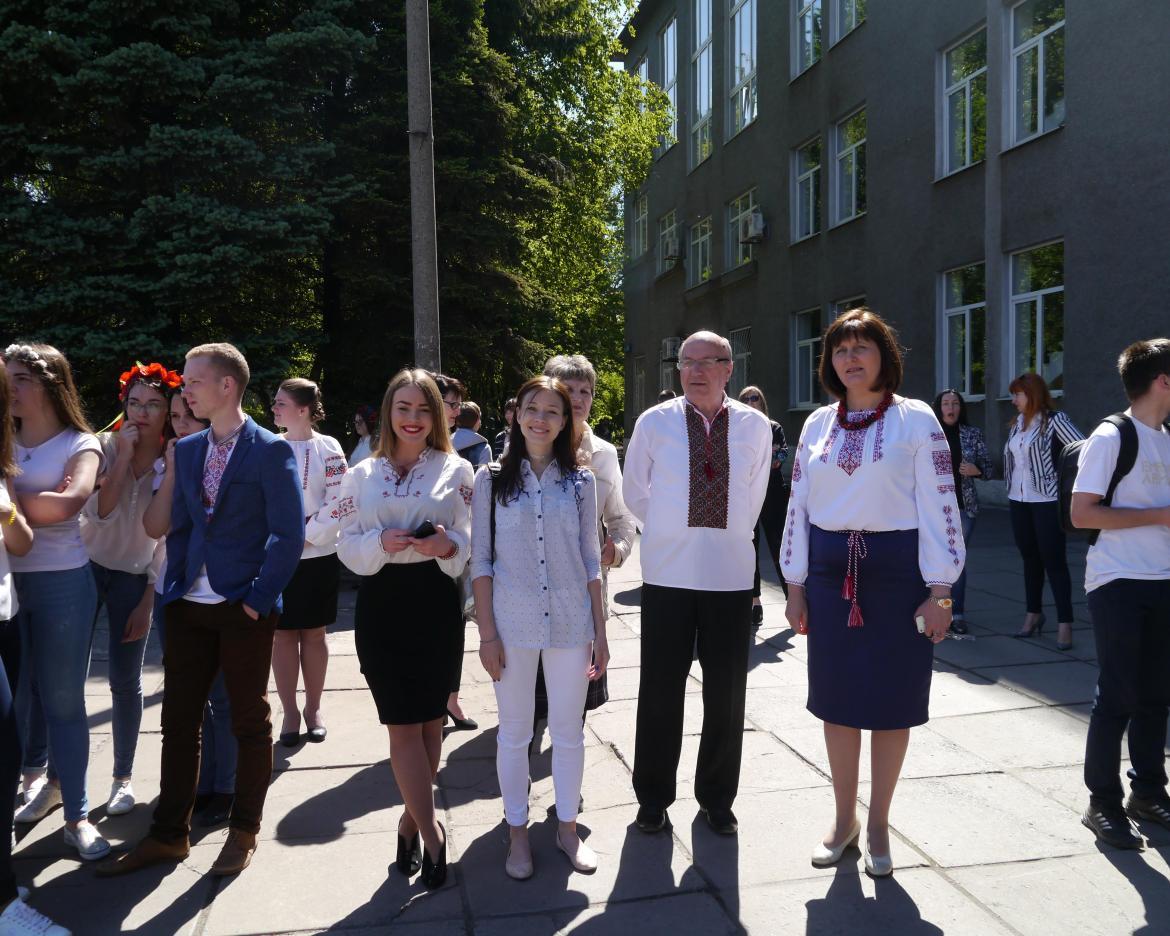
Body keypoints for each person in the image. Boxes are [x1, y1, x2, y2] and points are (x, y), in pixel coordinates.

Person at [98, 342, 303, 878]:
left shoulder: (271, 450)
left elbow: (289, 536)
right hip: (186, 605)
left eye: (193, 381)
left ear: (226, 385)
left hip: (243, 607)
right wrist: (171, 588)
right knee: (178, 721)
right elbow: (172, 526)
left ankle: (243, 831)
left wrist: (257, 601)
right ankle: (169, 835)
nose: (184, 391)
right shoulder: (186, 450)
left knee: (249, 721)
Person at [782, 309, 964, 877]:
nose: (851, 358)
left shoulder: (916, 420)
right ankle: (844, 820)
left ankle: (880, 821)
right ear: (829, 362)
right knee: (836, 704)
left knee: (891, 706)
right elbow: (798, 508)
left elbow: (941, 504)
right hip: (829, 580)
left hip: (897, 581)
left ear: (885, 355)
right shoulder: (817, 425)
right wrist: (794, 584)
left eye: (862, 347)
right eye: (840, 350)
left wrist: (941, 591)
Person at [622, 331, 772, 837]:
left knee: (727, 694)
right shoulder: (655, 422)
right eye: (687, 362)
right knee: (660, 689)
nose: (696, 370)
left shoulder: (754, 425)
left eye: (708, 361)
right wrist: (670, 530)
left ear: (730, 368)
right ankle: (652, 798)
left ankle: (717, 798)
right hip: (668, 575)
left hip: (730, 577)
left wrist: (722, 535)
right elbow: (633, 491)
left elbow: (755, 496)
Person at [336, 369, 473, 890]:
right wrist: (379, 543)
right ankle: (432, 833)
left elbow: (471, 537)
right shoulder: (361, 474)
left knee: (432, 724)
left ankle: (407, 824)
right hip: (383, 604)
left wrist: (446, 545)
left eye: (422, 409)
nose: (412, 419)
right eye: (403, 408)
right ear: (388, 412)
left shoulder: (458, 470)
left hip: (435, 601)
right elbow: (345, 542)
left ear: (437, 416)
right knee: (402, 725)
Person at [471, 376, 609, 879]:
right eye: (532, 408)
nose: (540, 419)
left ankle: (567, 829)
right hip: (512, 626)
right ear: (516, 414)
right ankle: (517, 833)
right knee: (514, 733)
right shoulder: (490, 479)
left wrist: (601, 632)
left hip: (572, 623)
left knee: (569, 732)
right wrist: (487, 634)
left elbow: (591, 560)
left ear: (566, 420)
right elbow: (481, 560)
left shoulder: (581, 482)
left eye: (553, 410)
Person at [4, 344, 107, 860]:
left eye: (19, 378)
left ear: (49, 385)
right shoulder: (3, 439)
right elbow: (49, 505)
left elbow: (68, 505)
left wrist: (8, 498)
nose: (9, 387)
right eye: (7, 377)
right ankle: (22, 794)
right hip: (5, 585)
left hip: (62, 583)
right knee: (13, 707)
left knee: (64, 703)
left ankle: (77, 817)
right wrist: (37, 501)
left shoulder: (80, 443)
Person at [1071, 339, 1170, 850]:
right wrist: (1159, 516)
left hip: (1162, 578)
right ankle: (1102, 803)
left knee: (1157, 694)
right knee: (1118, 694)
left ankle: (1148, 792)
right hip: (1117, 580)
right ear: (1163, 381)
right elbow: (1082, 513)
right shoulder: (1112, 436)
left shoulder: (1167, 438)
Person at [80, 362, 181, 818]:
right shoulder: (103, 447)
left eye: (153, 404)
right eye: (134, 402)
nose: (141, 412)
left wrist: (148, 598)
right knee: (65, 680)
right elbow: (100, 512)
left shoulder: (173, 459)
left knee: (125, 680)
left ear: (168, 412)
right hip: (83, 569)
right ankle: (52, 777)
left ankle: (122, 778)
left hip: (135, 577)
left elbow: (166, 540)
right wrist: (121, 456)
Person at [144, 392, 237, 828]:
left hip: (217, 595)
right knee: (188, 697)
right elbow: (154, 527)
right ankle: (199, 784)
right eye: (175, 417)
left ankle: (227, 787)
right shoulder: (166, 466)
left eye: (189, 416)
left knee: (222, 697)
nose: (180, 425)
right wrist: (171, 470)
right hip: (173, 591)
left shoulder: (224, 464)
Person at [535, 355, 635, 758]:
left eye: (586, 391)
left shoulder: (605, 454)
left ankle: (566, 770)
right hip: (529, 596)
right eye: (568, 389)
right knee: (529, 704)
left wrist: (617, 550)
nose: (578, 398)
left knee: (573, 703)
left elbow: (622, 519)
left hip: (583, 594)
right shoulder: (526, 445)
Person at [0, 366, 68, 934]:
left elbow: (20, 541)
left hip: (5, 615)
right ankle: (5, 906)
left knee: (11, 748)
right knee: (6, 751)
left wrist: (7, 510)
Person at [270, 378, 348, 746]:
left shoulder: (328, 447)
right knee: (282, 635)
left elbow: (341, 498)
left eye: (280, 403)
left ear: (302, 410)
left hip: (319, 555)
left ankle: (313, 708)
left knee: (315, 634)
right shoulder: (269, 446)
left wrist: (308, 533)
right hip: (277, 555)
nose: (274, 408)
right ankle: (289, 711)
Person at [1004, 372, 1083, 650]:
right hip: (1018, 500)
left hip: (1047, 500)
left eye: (1017, 394)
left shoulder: (1054, 421)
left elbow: (1083, 450)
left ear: (1032, 394)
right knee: (1030, 560)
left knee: (1054, 561)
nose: (1013, 400)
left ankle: (1065, 622)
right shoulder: (1017, 424)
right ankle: (1033, 613)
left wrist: (1061, 480)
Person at [432, 373, 480, 730]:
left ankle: (450, 698)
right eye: (451, 404)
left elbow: (470, 516)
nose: (455, 411)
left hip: (451, 562)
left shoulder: (459, 458)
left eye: (457, 405)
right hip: (406, 567)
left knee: (452, 633)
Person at [931, 390, 993, 634]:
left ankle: (956, 614)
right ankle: (936, 610)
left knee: (955, 561)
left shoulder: (972, 434)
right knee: (935, 561)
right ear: (939, 408)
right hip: (934, 508)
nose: (951, 407)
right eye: (946, 403)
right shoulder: (929, 435)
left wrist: (977, 470)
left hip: (963, 508)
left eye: (955, 403)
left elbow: (989, 469)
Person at [737, 385, 789, 626]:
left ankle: (792, 597)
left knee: (779, 545)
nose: (750, 402)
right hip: (746, 496)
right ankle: (754, 601)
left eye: (754, 398)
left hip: (773, 495)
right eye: (745, 399)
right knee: (750, 549)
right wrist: (767, 456)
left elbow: (781, 456)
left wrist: (759, 460)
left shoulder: (773, 427)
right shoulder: (737, 430)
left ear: (762, 402)